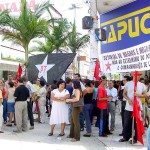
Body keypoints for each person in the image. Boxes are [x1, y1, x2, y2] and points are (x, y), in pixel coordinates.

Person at [119, 73, 147, 144]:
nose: (137, 77)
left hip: (138, 107)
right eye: (135, 75)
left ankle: (135, 138)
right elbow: (124, 94)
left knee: (136, 123)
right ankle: (126, 136)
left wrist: (138, 95)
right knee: (127, 122)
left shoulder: (142, 85)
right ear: (133, 76)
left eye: (138, 75)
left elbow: (145, 95)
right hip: (129, 107)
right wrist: (128, 99)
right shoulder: (128, 84)